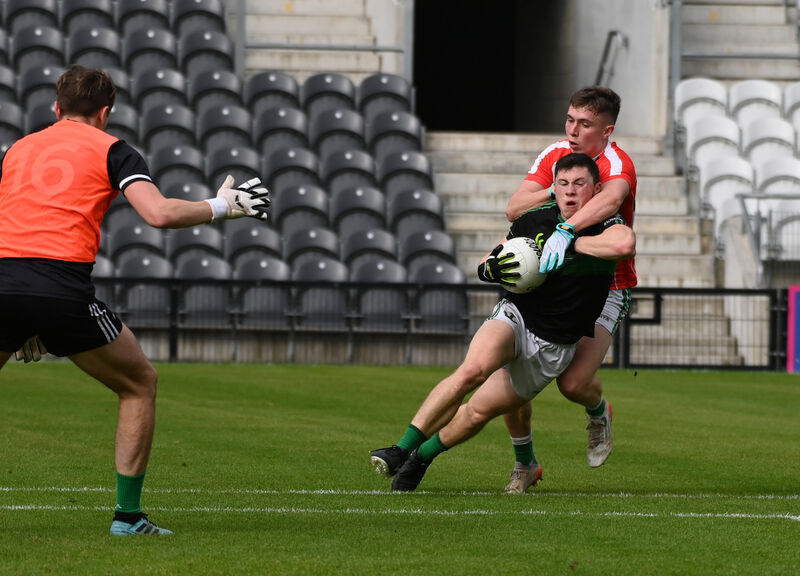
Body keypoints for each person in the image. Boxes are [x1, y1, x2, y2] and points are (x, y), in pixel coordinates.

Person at [0, 65, 270, 535]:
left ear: (55, 108)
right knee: (139, 383)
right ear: (105, 113)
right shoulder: (113, 149)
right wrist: (224, 206)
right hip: (61, 288)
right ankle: (127, 518)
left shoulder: (17, 150)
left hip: (3, 281)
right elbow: (159, 214)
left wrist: (23, 319)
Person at [371, 153, 636, 491]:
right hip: (517, 316)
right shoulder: (535, 219)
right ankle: (401, 448)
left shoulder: (608, 225)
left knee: (477, 412)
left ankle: (422, 456)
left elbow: (624, 244)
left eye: (579, 184)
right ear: (554, 188)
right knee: (470, 371)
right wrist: (489, 268)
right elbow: (489, 257)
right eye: (563, 184)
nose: (570, 192)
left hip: (552, 346)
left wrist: (570, 238)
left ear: (597, 189)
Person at [501, 86, 637, 494]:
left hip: (606, 283)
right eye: (570, 120)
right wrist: (558, 187)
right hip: (548, 276)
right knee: (509, 376)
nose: (573, 130)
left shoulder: (617, 163)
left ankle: (599, 412)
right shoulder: (555, 154)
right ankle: (524, 464)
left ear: (607, 130)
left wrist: (566, 230)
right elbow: (514, 208)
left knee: (572, 384)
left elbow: (611, 200)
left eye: (585, 124)